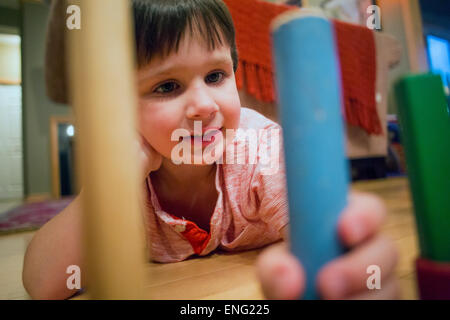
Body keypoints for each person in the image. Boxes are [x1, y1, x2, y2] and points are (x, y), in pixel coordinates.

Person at [22, 0, 399, 300]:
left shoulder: (260, 150)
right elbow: (44, 284)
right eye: (167, 86)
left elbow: (328, 247)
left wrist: (349, 273)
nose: (204, 104)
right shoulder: (126, 178)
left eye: (216, 76)